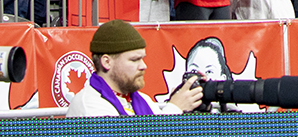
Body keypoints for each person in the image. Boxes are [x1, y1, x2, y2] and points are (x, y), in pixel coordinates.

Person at [65, 19, 204, 117]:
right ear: (106, 62)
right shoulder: (89, 105)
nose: (143, 66)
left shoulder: (140, 99)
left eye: (142, 58)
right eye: (134, 60)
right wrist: (175, 108)